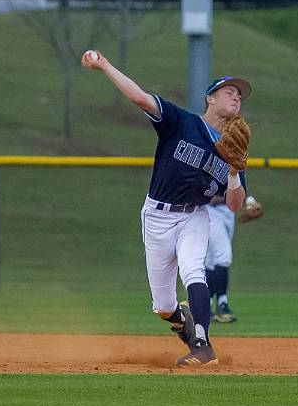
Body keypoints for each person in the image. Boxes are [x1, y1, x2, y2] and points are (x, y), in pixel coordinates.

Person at [82, 50, 250, 367]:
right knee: (163, 306)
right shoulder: (181, 122)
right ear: (210, 99)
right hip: (157, 215)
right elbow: (141, 99)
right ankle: (181, 318)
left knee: (193, 270)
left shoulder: (234, 151)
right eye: (229, 91)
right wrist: (104, 65)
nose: (237, 97)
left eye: (240, 95)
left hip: (196, 217)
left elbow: (234, 205)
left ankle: (202, 346)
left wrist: (233, 172)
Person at [205, 194, 262, 323]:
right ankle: (222, 305)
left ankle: (205, 305)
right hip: (210, 212)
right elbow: (212, 197)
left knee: (212, 261)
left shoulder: (236, 172)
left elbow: (238, 186)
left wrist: (249, 202)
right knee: (223, 257)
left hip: (229, 212)